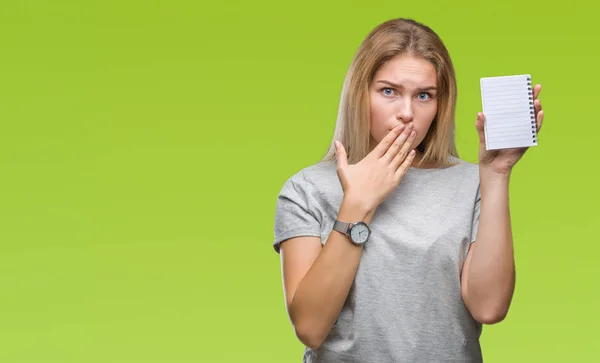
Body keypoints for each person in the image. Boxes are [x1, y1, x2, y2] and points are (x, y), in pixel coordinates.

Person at [271, 17, 544, 363]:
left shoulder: (472, 183)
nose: (406, 113)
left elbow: (488, 306)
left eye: (424, 96)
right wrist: (358, 203)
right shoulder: (307, 189)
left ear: (439, 105)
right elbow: (310, 326)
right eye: (389, 91)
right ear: (359, 93)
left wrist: (497, 174)